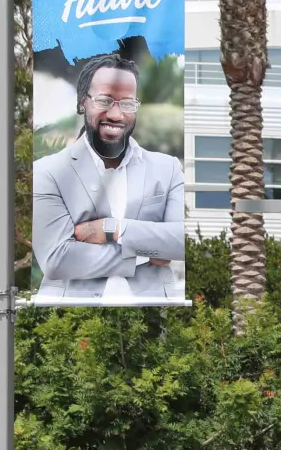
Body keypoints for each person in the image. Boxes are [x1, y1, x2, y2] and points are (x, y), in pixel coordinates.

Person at [32, 53, 184, 304]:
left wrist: (111, 229)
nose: (116, 115)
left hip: (152, 317)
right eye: (104, 100)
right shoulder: (48, 172)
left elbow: (179, 242)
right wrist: (146, 253)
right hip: (70, 317)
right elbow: (57, 259)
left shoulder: (167, 169)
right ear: (82, 102)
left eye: (127, 103)